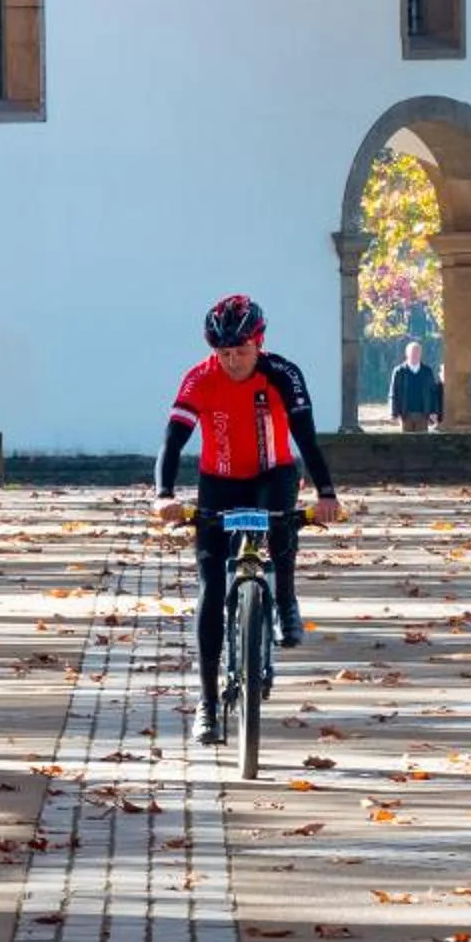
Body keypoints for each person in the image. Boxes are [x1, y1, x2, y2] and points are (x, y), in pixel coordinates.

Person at [154, 293, 346, 746]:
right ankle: (207, 704)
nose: (233, 361)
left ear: (259, 344)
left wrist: (327, 494)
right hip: (217, 481)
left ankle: (284, 601)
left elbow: (307, 440)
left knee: (283, 526)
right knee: (209, 587)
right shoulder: (199, 379)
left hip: (272, 474)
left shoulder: (283, 374)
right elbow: (172, 441)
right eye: (224, 353)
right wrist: (163, 495)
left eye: (241, 351)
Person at [387, 339, 442, 432]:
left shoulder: (427, 371)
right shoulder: (399, 371)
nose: (415, 355)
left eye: (417, 353)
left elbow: (433, 393)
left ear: (420, 354)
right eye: (413, 353)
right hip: (405, 414)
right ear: (407, 354)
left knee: (422, 443)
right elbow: (393, 393)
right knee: (406, 442)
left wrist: (434, 411)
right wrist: (393, 413)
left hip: (423, 414)